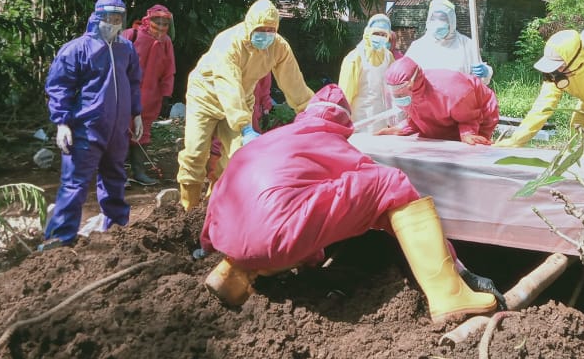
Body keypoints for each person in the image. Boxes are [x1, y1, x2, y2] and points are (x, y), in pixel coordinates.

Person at [200, 85, 503, 323]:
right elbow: (384, 195)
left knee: (270, 217)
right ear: (344, 123)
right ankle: (448, 291)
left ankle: (230, 272)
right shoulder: (334, 145)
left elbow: (245, 195)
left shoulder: (270, 139)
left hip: (222, 236)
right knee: (390, 182)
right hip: (275, 239)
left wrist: (211, 241)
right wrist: (461, 269)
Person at [176, 0, 314, 211]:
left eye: (271, 29)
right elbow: (227, 84)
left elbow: (293, 81)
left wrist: (309, 109)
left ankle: (214, 208)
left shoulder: (278, 47)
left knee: (238, 157)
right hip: (206, 97)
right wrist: (244, 125)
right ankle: (188, 210)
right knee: (195, 154)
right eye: (261, 29)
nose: (266, 34)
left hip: (242, 98)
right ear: (250, 25)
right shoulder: (229, 43)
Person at [41, 0, 142, 250]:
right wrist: (61, 122)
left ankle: (117, 229)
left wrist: (137, 113)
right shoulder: (77, 49)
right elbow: (59, 86)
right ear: (98, 17)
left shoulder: (126, 49)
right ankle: (61, 237)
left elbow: (133, 83)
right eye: (109, 17)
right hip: (86, 128)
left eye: (118, 17)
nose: (114, 22)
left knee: (115, 179)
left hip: (117, 130)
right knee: (75, 183)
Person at [494, 29, 584, 148]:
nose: (556, 71)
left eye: (560, 66)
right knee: (576, 139)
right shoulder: (556, 74)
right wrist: (516, 140)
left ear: (576, 59)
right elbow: (542, 107)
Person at [378, 56, 498, 145]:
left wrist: (468, 133)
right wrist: (401, 129)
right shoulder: (413, 93)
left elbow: (469, 117)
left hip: (478, 111)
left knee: (470, 149)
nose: (399, 98)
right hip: (450, 114)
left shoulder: (451, 90)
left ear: (413, 83)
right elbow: (422, 117)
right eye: (396, 95)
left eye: (401, 94)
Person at [120, 4, 176, 186]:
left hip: (151, 97)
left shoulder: (166, 41)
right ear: (148, 19)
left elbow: (169, 70)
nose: (160, 26)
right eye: (156, 21)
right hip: (125, 94)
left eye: (164, 22)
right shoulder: (131, 35)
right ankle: (117, 175)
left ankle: (139, 172)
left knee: (142, 133)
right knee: (120, 131)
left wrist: (166, 94)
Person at [405, 0, 492, 84]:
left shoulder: (467, 45)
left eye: (443, 18)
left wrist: (486, 72)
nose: (438, 23)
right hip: (426, 97)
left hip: (460, 97)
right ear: (428, 20)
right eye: (434, 18)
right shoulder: (418, 47)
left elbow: (479, 81)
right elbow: (404, 75)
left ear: (452, 21)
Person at [338, 13, 395, 133]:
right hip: (359, 120)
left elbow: (393, 89)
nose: (380, 37)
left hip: (382, 120)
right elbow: (345, 93)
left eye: (383, 34)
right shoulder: (355, 57)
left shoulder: (388, 56)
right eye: (376, 33)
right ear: (368, 32)